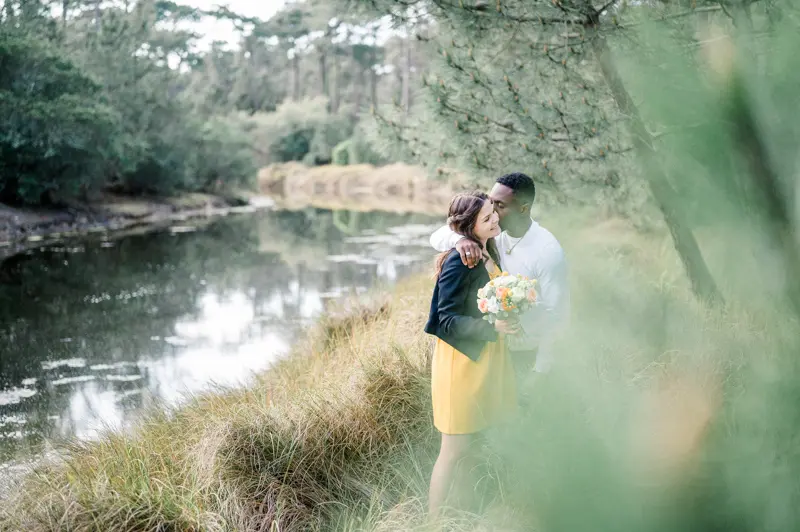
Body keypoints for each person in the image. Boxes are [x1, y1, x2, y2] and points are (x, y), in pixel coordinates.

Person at [424, 191, 520, 516]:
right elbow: (445, 319)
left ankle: (464, 513)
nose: (496, 220)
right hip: (461, 364)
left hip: (486, 359)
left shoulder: (488, 246)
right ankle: (432, 522)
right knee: (453, 450)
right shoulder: (459, 259)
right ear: (468, 227)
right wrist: (493, 330)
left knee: (471, 447)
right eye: (488, 218)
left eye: (494, 212)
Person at [430, 172, 569, 375]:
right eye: (491, 204)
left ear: (523, 209)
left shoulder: (547, 251)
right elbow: (438, 236)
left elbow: (557, 315)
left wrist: (541, 370)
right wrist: (459, 240)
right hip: (491, 349)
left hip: (525, 353)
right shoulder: (495, 234)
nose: (492, 213)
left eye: (500, 207)